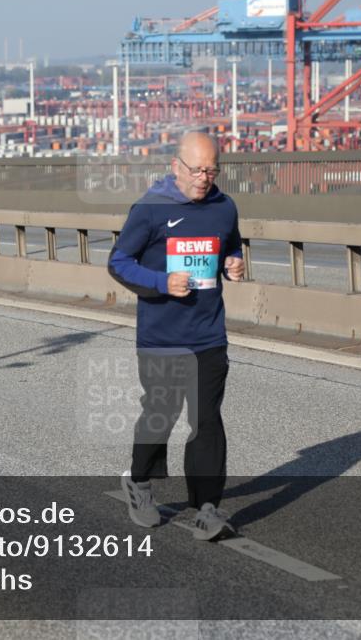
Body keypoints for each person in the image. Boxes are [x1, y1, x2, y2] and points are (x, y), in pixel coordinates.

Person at [107, 131, 244, 541]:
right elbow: (118, 262)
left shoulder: (224, 207)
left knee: (206, 420)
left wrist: (234, 263)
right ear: (175, 167)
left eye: (211, 170)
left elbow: (229, 246)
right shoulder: (150, 209)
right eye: (196, 169)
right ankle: (139, 482)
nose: (204, 178)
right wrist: (163, 282)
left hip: (208, 334)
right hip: (162, 336)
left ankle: (207, 507)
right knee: (160, 416)